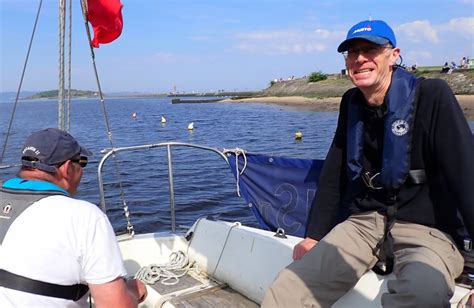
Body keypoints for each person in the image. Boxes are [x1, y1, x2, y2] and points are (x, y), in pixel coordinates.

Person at [262, 19, 473, 307]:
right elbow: (335, 170)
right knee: (287, 288)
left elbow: (467, 174)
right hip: (363, 223)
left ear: (394, 55)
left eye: (370, 49)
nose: (360, 58)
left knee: (423, 293)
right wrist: (314, 236)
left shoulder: (433, 95)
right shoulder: (351, 102)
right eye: (352, 52)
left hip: (428, 228)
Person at [0, 128, 147, 307]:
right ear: (68, 168)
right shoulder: (85, 217)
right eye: (82, 162)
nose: (83, 171)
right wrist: (133, 290)